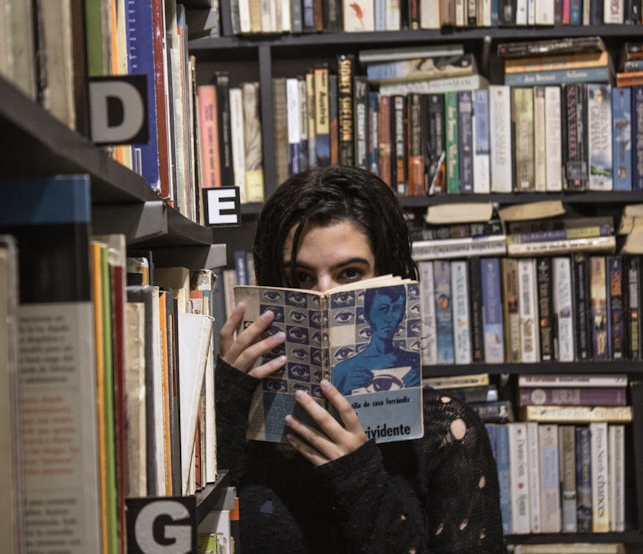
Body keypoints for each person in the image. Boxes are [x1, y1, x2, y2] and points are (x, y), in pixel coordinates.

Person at [216, 165, 505, 553]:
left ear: (390, 277)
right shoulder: (241, 418)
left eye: (349, 273)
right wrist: (227, 400)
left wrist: (357, 473)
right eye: (301, 277)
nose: (324, 294)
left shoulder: (447, 432)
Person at [332, 283, 421, 395]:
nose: (389, 318)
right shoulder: (343, 369)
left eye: (396, 309)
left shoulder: (414, 361)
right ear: (366, 315)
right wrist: (345, 391)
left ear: (403, 313)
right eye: (383, 309)